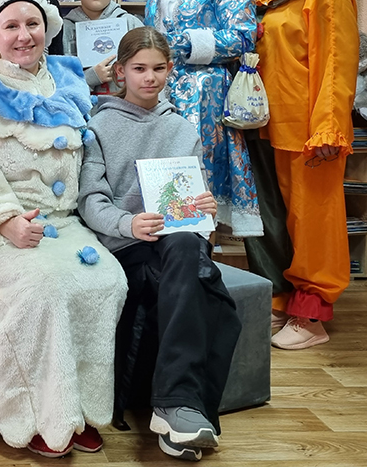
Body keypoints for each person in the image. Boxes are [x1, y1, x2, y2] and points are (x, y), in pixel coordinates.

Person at [0, 0, 128, 458]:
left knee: (109, 280)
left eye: (32, 24)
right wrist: (4, 220)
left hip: (63, 223)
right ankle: (40, 415)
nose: (23, 35)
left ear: (48, 28)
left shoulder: (68, 81)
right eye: (11, 26)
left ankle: (77, 408)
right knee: (44, 287)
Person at [78, 27, 241, 463]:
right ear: (120, 72)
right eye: (139, 69)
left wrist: (205, 207)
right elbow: (91, 200)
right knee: (202, 288)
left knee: (188, 249)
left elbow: (195, 198)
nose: (149, 78)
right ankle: (179, 407)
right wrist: (128, 223)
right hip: (127, 244)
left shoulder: (183, 129)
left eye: (157, 69)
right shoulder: (98, 126)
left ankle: (174, 409)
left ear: (170, 69)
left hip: (178, 242)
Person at [244, 0, 359, 349]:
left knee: (313, 219)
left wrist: (329, 125)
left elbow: (336, 60)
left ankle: (311, 315)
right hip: (260, 123)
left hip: (306, 128)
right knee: (269, 219)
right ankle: (279, 300)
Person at [144, 0, 262, 237]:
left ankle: (202, 252)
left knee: (200, 178)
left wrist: (185, 44)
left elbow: (243, 38)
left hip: (206, 96)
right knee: (164, 181)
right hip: (161, 95)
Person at [62, 0, 143, 97]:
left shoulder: (132, 24)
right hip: (81, 108)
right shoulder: (64, 28)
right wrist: (90, 77)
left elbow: (148, 68)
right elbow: (59, 81)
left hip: (125, 106)